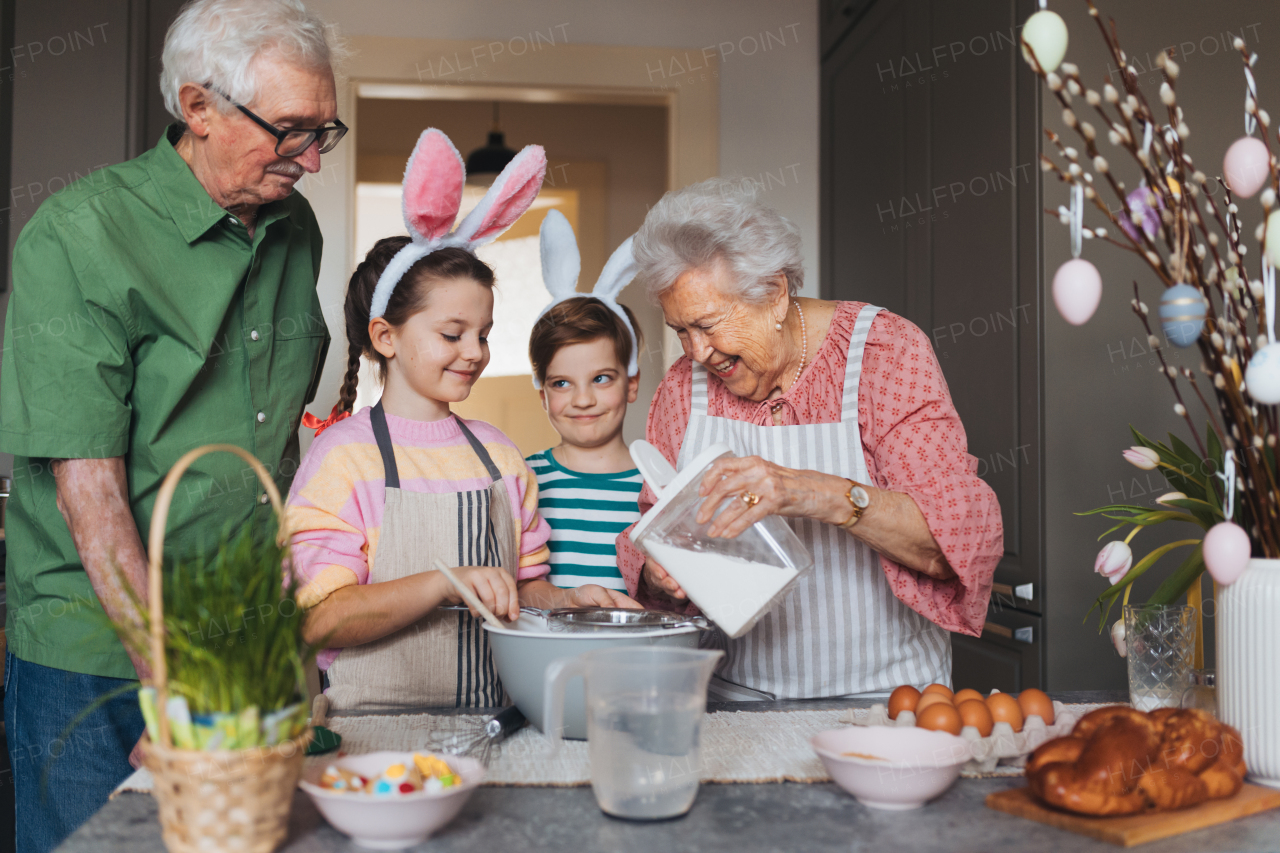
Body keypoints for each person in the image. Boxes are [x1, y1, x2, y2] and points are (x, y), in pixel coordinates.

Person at [0, 1, 342, 849]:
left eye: (322, 132)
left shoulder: (295, 226)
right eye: (291, 131)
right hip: (99, 655)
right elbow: (92, 496)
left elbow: (277, 447)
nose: (311, 160)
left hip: (239, 641)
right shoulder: (76, 237)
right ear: (198, 108)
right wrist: (175, 684)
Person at [287, 130, 637, 711]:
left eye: (483, 334)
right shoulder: (343, 460)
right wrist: (442, 581)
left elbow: (522, 591)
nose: (474, 352)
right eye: (452, 334)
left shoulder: (499, 456)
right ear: (385, 336)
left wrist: (569, 599)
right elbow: (321, 619)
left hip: (495, 722)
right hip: (375, 736)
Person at [617, 178, 1003, 701]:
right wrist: (663, 568)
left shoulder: (885, 355)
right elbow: (654, 522)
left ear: (774, 295)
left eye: (707, 324)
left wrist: (809, 492)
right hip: (738, 699)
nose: (698, 352)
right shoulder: (684, 388)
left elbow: (948, 544)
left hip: (889, 697)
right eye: (681, 330)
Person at [525, 211, 646, 593]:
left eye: (601, 378)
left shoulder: (659, 486)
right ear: (543, 396)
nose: (582, 399)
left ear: (631, 384)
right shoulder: (523, 481)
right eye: (562, 383)